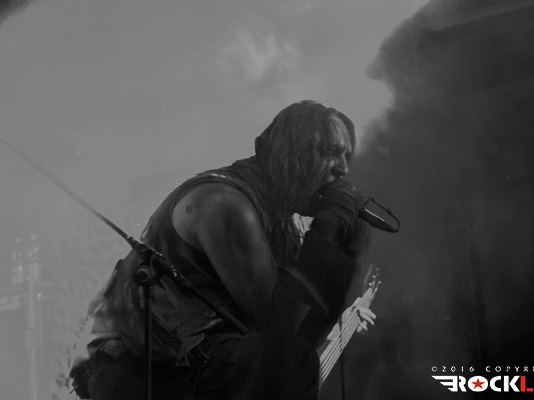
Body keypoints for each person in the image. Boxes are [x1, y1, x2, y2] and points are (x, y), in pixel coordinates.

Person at [69, 100, 375, 400]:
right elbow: (281, 325)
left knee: (289, 360)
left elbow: (303, 334)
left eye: (347, 156)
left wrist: (348, 248)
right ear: (290, 152)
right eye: (329, 151)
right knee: (282, 362)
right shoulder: (225, 204)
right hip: (129, 365)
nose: (343, 169)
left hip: (191, 360)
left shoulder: (281, 223)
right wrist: (328, 227)